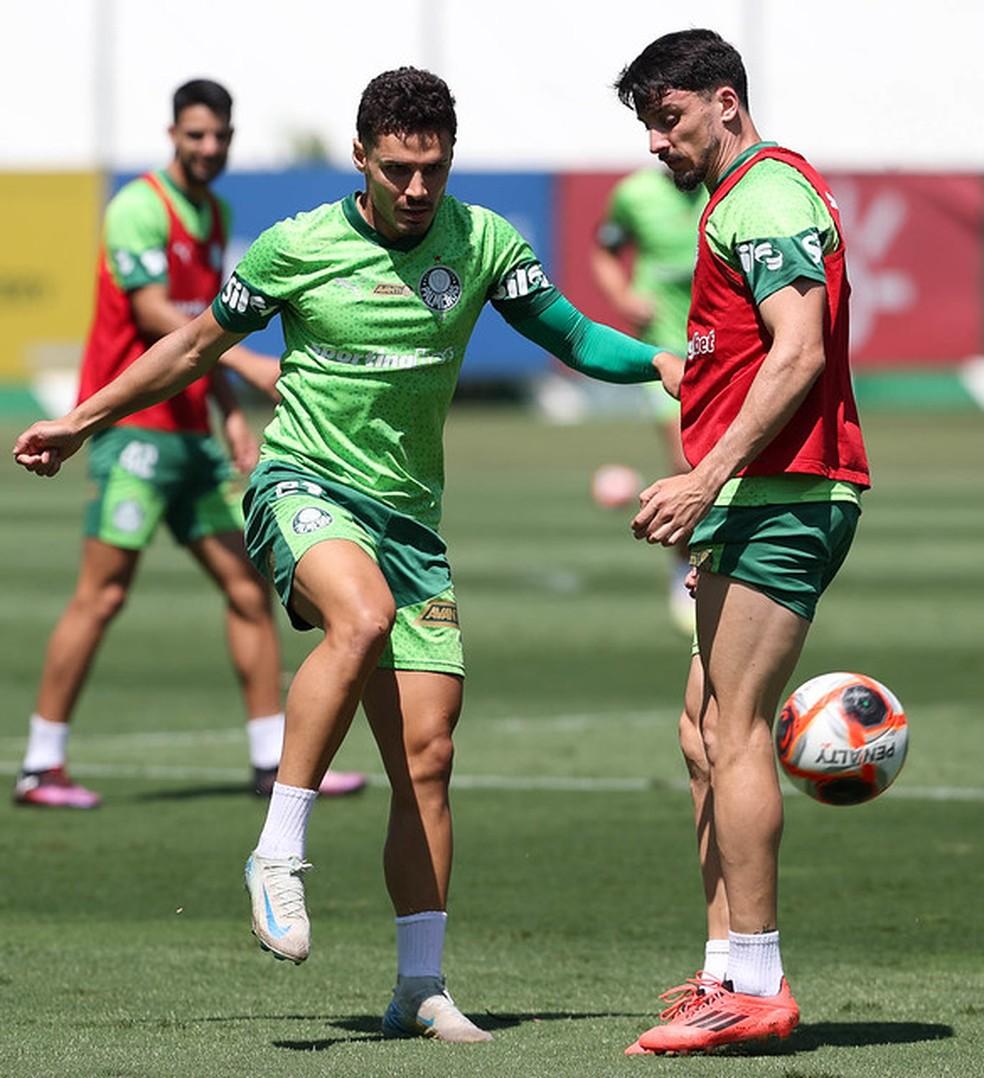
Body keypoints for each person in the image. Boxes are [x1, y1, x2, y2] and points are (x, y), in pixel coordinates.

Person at [13, 67, 681, 1044]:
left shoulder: (484, 242)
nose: (417, 189)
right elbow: (192, 347)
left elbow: (571, 334)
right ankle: (277, 852)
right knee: (359, 618)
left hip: (411, 523)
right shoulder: (296, 247)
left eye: (434, 169)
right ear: (361, 157)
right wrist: (81, 420)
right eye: (399, 169)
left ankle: (420, 986)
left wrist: (657, 359)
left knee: (428, 758)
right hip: (304, 487)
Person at [612, 30, 870, 1055]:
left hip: (786, 492)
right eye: (648, 126)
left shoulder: (765, 194)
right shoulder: (737, 198)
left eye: (668, 119)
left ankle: (757, 982)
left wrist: (703, 474)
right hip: (751, 496)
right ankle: (723, 968)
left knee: (735, 727)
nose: (657, 143)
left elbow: (799, 351)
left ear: (725, 101)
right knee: (701, 728)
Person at [12, 78, 364, 809]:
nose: (209, 147)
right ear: (173, 133)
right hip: (135, 436)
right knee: (103, 594)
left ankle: (271, 759)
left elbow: (203, 331)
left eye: (220, 136)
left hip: (191, 438)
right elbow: (156, 314)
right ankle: (41, 764)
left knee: (247, 588)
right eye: (196, 134)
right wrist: (249, 367)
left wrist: (228, 413)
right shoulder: (139, 207)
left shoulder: (214, 213)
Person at [591, 169, 705, 632]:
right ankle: (684, 567)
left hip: (720, 347)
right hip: (664, 348)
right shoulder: (635, 195)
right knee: (687, 460)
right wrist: (623, 297)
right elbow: (604, 249)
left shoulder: (726, 187)